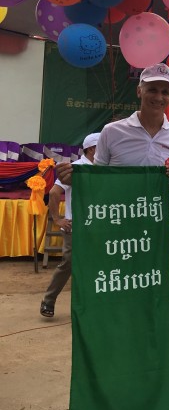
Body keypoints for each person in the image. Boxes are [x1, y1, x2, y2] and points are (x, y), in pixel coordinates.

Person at [56, 63, 169, 202]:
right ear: (139, 91)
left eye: (165, 92)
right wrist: (74, 179)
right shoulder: (112, 131)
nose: (158, 97)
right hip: (118, 219)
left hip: (159, 222)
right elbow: (97, 180)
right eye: (152, 90)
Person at [39, 133, 100, 318]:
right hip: (76, 226)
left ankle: (90, 305)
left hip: (98, 225)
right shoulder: (76, 168)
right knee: (69, 263)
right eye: (102, 147)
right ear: (91, 149)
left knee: (96, 265)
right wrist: (57, 219)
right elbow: (54, 192)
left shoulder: (104, 167)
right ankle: (48, 300)